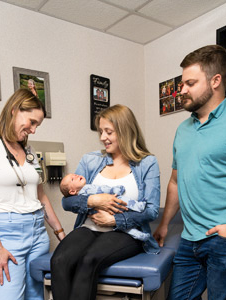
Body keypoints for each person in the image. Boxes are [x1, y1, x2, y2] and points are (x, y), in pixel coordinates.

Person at [153, 45, 226, 300]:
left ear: (215, 80)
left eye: (190, 83)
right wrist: (164, 225)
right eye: (182, 83)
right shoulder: (183, 130)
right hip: (189, 237)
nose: (181, 90)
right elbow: (175, 182)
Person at [0, 88, 65, 300]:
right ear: (14, 110)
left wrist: (61, 234)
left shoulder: (28, 152)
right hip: (4, 236)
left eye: (37, 124)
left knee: (37, 297)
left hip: (38, 234)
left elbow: (40, 196)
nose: (34, 130)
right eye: (31, 122)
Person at [51, 104, 160, 300]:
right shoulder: (90, 160)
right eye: (101, 132)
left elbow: (151, 211)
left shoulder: (147, 163)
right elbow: (67, 203)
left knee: (89, 260)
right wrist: (94, 200)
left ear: (125, 131)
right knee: (59, 260)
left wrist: (115, 221)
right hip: (89, 227)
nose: (102, 137)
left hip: (125, 232)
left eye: (108, 132)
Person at [60, 173, 150, 241]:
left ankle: (138, 235)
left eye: (75, 175)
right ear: (72, 191)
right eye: (72, 179)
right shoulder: (86, 188)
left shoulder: (80, 197)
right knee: (122, 200)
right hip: (110, 209)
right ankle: (138, 206)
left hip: (100, 216)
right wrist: (114, 189)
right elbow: (102, 189)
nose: (76, 175)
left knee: (124, 228)